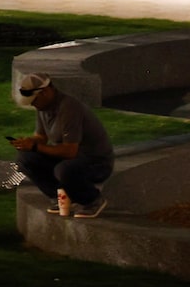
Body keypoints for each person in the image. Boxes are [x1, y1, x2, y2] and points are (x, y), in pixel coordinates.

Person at [10, 71, 113, 215]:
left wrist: (35, 146)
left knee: (64, 170)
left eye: (34, 100)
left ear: (45, 92)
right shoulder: (43, 108)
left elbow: (70, 151)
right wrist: (27, 143)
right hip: (71, 159)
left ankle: (92, 200)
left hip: (95, 162)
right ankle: (60, 197)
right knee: (25, 158)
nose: (33, 105)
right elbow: (41, 137)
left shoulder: (69, 108)